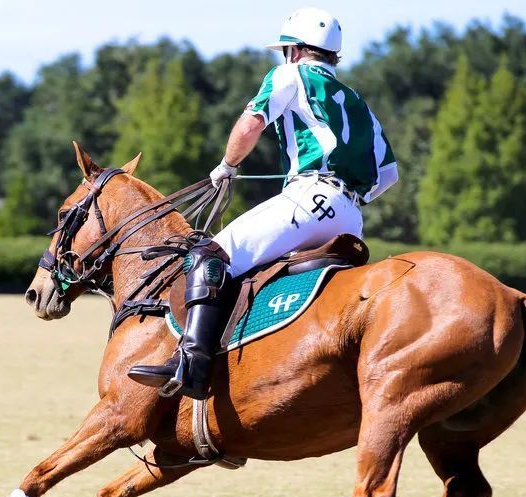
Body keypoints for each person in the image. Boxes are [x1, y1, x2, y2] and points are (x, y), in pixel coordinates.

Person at [128, 7, 399, 399]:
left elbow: (252, 122)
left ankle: (191, 363)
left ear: (295, 50)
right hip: (350, 217)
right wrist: (349, 193)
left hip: (309, 200)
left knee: (210, 255)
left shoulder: (289, 73)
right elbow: (389, 174)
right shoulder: (360, 103)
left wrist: (226, 165)